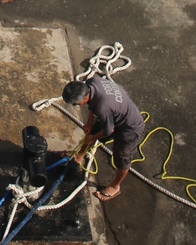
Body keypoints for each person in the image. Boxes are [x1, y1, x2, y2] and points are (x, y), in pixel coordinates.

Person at [62, 72, 146, 202]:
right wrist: (90, 122)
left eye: (76, 104)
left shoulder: (103, 107)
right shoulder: (91, 83)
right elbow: (92, 105)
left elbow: (108, 131)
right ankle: (79, 156)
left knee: (122, 157)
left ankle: (115, 186)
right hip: (115, 114)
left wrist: (93, 137)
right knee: (90, 134)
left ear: (85, 97)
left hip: (130, 127)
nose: (76, 106)